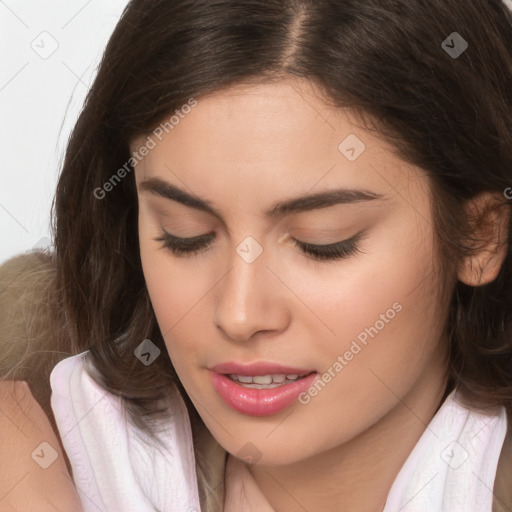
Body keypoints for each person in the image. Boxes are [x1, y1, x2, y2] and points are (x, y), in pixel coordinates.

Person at [1, 0, 512, 510]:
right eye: (186, 235)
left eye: (322, 242)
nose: (239, 314)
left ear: (479, 235)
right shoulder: (30, 412)